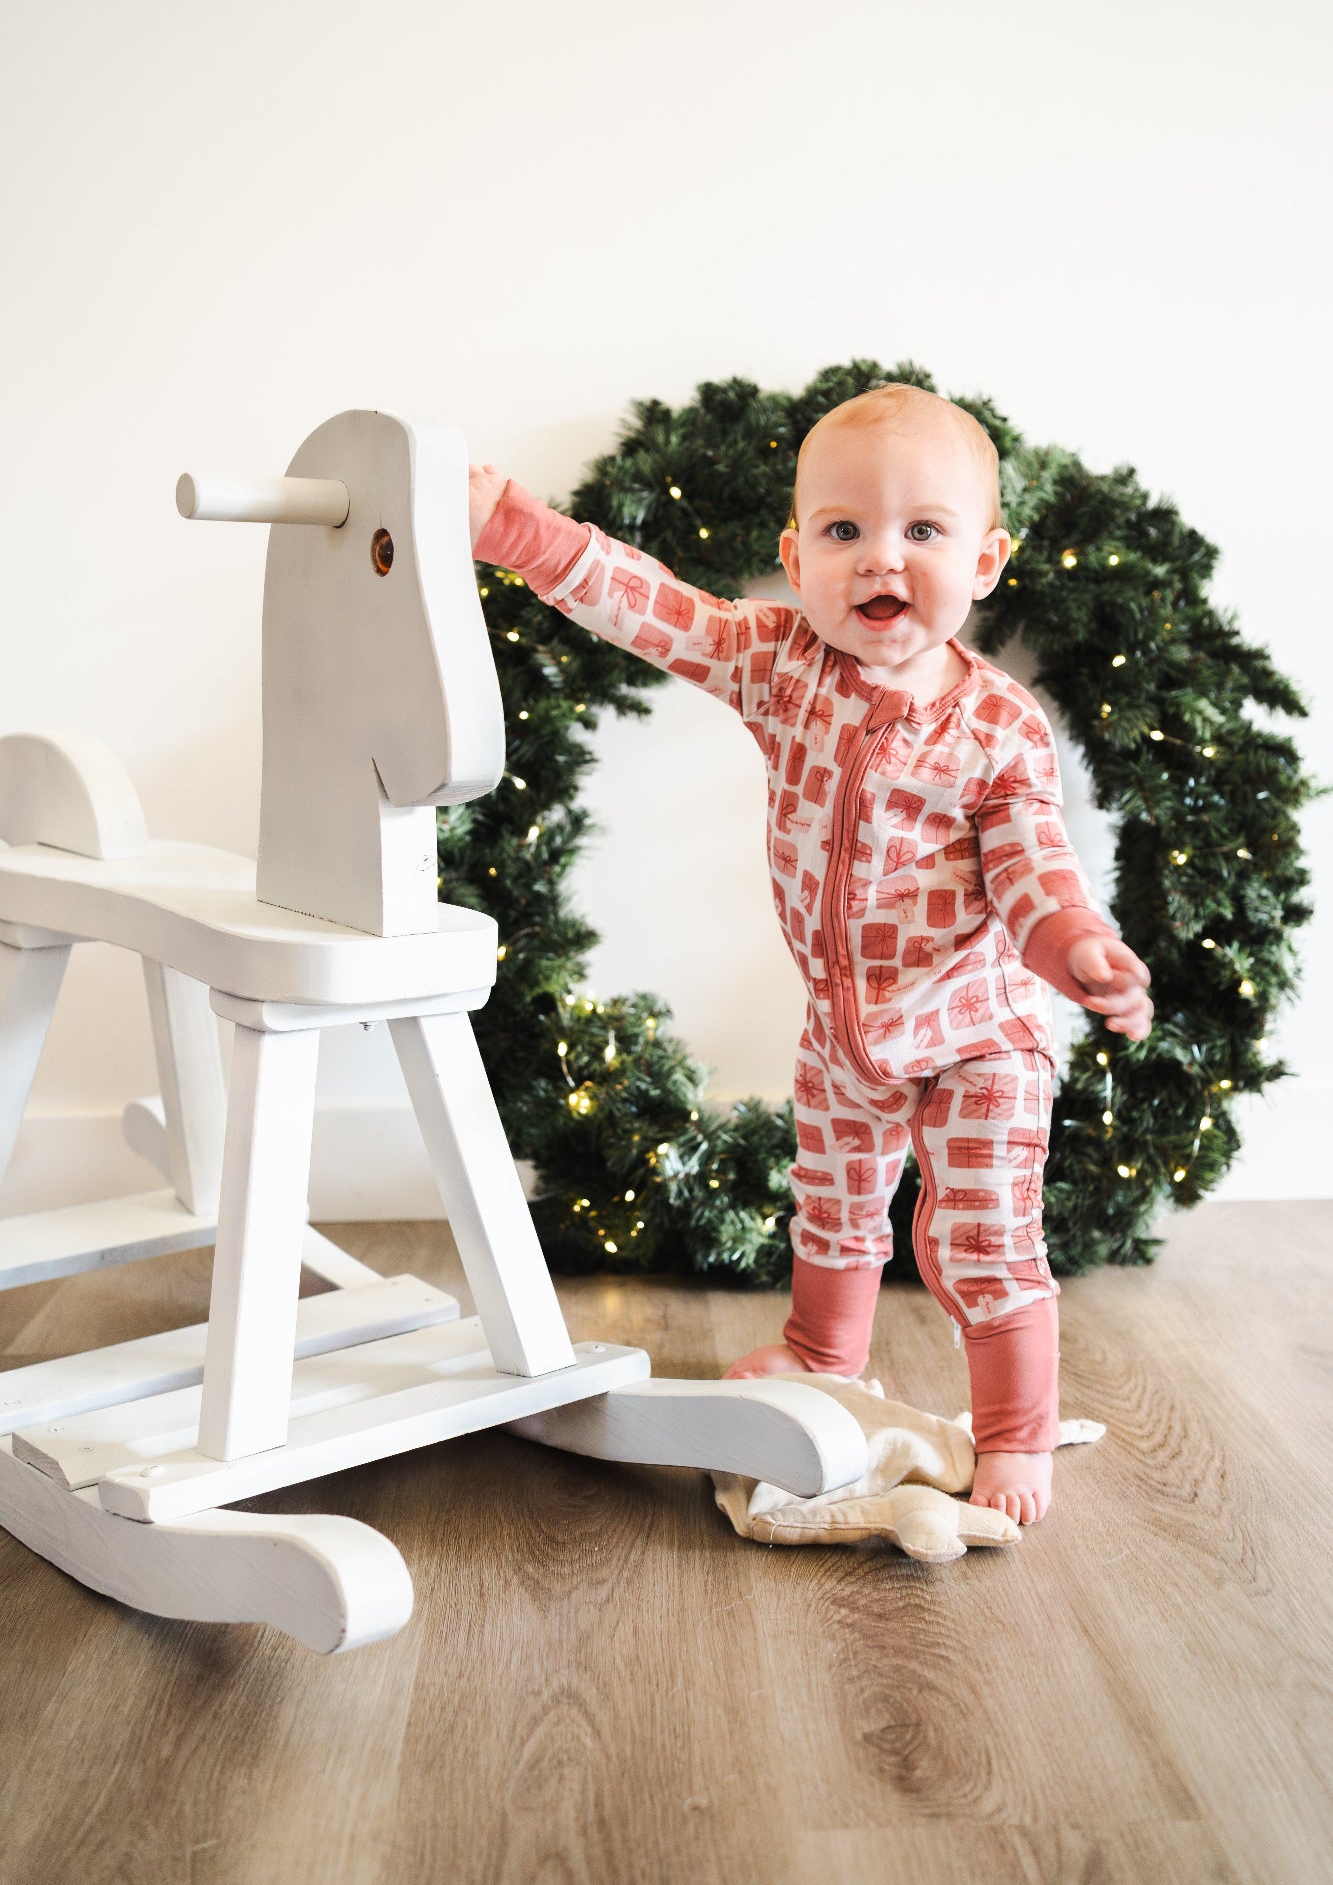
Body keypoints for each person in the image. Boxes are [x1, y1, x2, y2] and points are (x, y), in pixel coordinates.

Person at [468, 383, 1152, 1524]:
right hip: (844, 1020)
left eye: (921, 531)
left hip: (981, 1032)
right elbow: (656, 609)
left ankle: (1016, 1432)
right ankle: (822, 1357)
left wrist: (1074, 945)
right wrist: (517, 530)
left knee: (980, 1236)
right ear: (795, 555)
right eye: (845, 531)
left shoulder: (997, 725)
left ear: (985, 560)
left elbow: (1034, 861)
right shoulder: (781, 663)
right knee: (832, 1205)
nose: (880, 558)